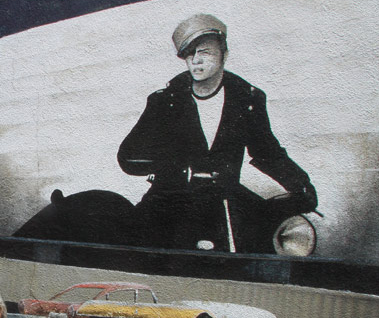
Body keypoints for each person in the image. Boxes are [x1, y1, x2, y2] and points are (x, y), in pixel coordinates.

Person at [117, 13, 317, 251]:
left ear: (225, 55)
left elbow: (266, 152)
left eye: (205, 52)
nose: (196, 61)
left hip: (225, 200)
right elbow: (128, 156)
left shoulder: (248, 99)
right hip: (172, 199)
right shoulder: (165, 101)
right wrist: (173, 167)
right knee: (139, 248)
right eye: (189, 54)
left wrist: (301, 184)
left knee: (262, 246)